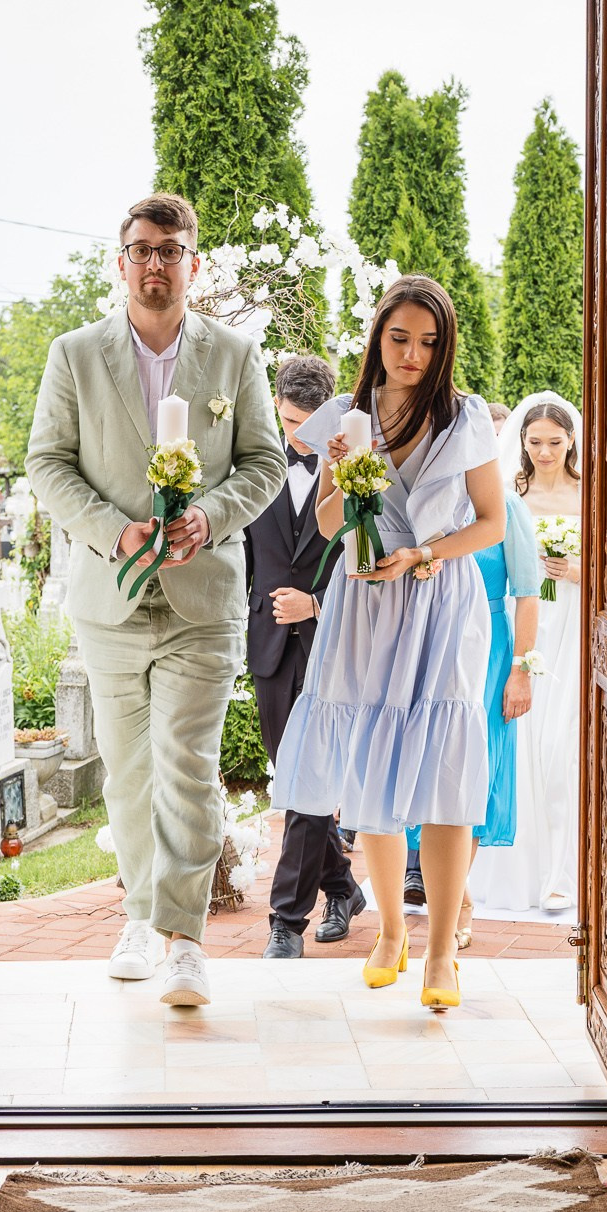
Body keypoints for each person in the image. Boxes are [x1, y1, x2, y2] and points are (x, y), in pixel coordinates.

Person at [26, 193, 286, 1006]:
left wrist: (209, 516)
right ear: (121, 262)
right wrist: (114, 530)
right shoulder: (74, 354)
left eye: (170, 251)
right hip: (108, 596)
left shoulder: (235, 355)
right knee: (128, 771)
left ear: (192, 264)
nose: (154, 264)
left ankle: (183, 941)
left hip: (201, 598)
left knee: (187, 763)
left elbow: (265, 462)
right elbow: (47, 463)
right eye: (141, 250)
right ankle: (139, 916)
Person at [271, 276, 506, 1012]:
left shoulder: (466, 418)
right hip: (366, 603)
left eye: (428, 342)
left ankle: (441, 952)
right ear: (377, 336)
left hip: (440, 601)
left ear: (444, 348)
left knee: (443, 775)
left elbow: (492, 522)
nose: (412, 354)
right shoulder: (342, 416)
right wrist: (345, 477)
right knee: (371, 764)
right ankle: (391, 934)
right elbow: (329, 522)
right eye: (399, 337)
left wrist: (424, 553)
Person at [405, 400, 542, 948]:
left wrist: (520, 672)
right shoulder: (429, 503)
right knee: (428, 765)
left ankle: (457, 900)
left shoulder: (506, 507)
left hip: (489, 650)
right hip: (431, 645)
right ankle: (453, 896)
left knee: (477, 768)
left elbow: (527, 594)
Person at [245, 355, 366, 959]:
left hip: (331, 644)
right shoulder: (252, 465)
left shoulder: (358, 467)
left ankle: (285, 922)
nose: (296, 435)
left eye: (307, 425)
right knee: (293, 780)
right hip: (269, 645)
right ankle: (342, 887)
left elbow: (367, 559)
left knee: (308, 777)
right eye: (289, 421)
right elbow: (244, 557)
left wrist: (315, 605)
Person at [478, 393, 584, 913]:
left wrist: (576, 571)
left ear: (571, 442)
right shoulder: (508, 493)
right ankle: (518, 872)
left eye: (555, 443)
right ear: (521, 441)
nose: (545, 452)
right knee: (521, 747)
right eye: (535, 442)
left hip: (572, 629)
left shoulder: (590, 494)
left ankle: (562, 873)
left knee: (560, 749)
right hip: (526, 630)